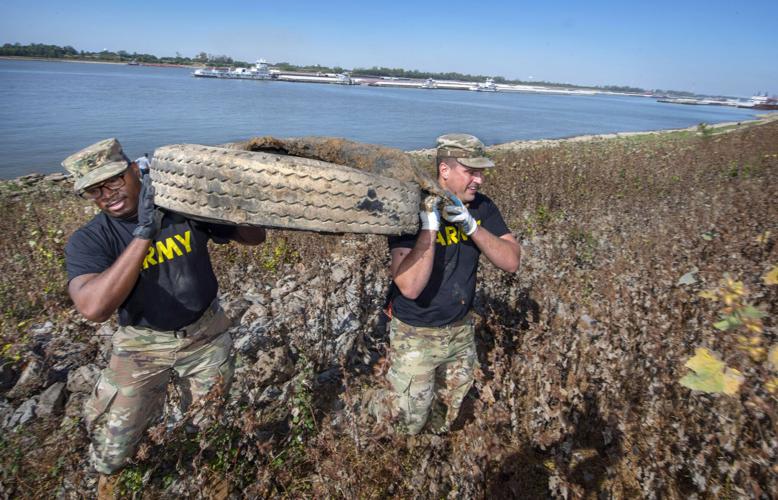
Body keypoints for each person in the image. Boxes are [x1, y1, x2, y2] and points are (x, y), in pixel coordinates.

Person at [61, 138, 266, 497]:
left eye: (113, 181)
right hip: (141, 346)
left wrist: (228, 200)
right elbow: (94, 308)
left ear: (134, 171)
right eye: (94, 191)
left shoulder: (181, 209)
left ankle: (211, 475)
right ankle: (111, 481)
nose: (107, 194)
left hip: (206, 335)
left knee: (209, 422)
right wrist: (144, 233)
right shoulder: (90, 240)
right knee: (114, 439)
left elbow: (254, 237)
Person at [378, 133, 521, 435]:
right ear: (445, 170)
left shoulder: (482, 208)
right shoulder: (411, 207)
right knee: (405, 419)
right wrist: (429, 226)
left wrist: (472, 226)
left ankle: (431, 453)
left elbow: (511, 261)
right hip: (415, 335)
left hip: (460, 333)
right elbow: (409, 287)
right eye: (471, 171)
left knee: (446, 412)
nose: (479, 180)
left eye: (481, 172)